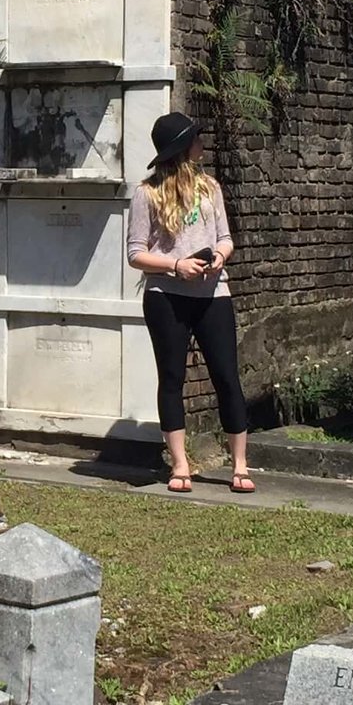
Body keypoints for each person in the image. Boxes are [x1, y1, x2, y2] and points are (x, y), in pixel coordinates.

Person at [126, 111, 252, 493]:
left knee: (227, 378)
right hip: (167, 296)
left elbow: (227, 237)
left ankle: (241, 465)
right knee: (172, 378)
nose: (202, 144)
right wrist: (175, 265)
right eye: (197, 139)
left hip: (214, 294)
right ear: (183, 148)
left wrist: (219, 256)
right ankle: (180, 465)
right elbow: (135, 254)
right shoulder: (146, 193)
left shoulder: (210, 187)